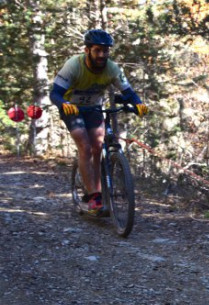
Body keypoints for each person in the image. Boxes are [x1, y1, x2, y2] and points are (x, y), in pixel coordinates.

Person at [50, 29, 148, 213]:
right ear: (87, 50)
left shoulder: (112, 69)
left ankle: (99, 191)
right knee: (84, 146)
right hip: (72, 108)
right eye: (97, 50)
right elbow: (54, 93)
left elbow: (129, 92)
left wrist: (138, 104)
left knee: (97, 146)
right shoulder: (74, 65)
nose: (102, 54)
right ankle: (94, 196)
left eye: (106, 51)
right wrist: (63, 104)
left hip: (94, 108)